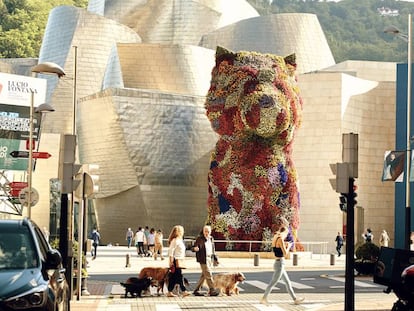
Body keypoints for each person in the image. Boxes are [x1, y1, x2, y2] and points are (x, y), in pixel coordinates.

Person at [260, 224, 304, 306]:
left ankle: (295, 299)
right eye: (287, 234)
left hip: (278, 263)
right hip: (280, 264)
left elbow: (277, 249)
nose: (287, 236)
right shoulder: (280, 240)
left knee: (287, 282)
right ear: (285, 232)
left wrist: (285, 244)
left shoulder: (276, 237)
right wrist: (289, 246)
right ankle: (264, 298)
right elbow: (285, 253)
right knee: (272, 283)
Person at [192, 225, 219, 296]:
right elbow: (194, 247)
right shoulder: (200, 239)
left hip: (210, 258)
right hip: (203, 259)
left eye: (208, 231)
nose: (206, 233)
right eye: (205, 231)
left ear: (210, 232)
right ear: (203, 231)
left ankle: (196, 290)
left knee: (204, 275)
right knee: (208, 274)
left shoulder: (211, 238)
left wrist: (215, 258)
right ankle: (212, 289)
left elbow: (213, 249)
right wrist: (195, 249)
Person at [167, 225, 191, 297]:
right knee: (179, 276)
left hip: (179, 260)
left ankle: (169, 291)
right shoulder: (175, 240)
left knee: (173, 277)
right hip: (176, 260)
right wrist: (171, 261)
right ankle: (183, 291)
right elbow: (171, 251)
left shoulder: (180, 240)